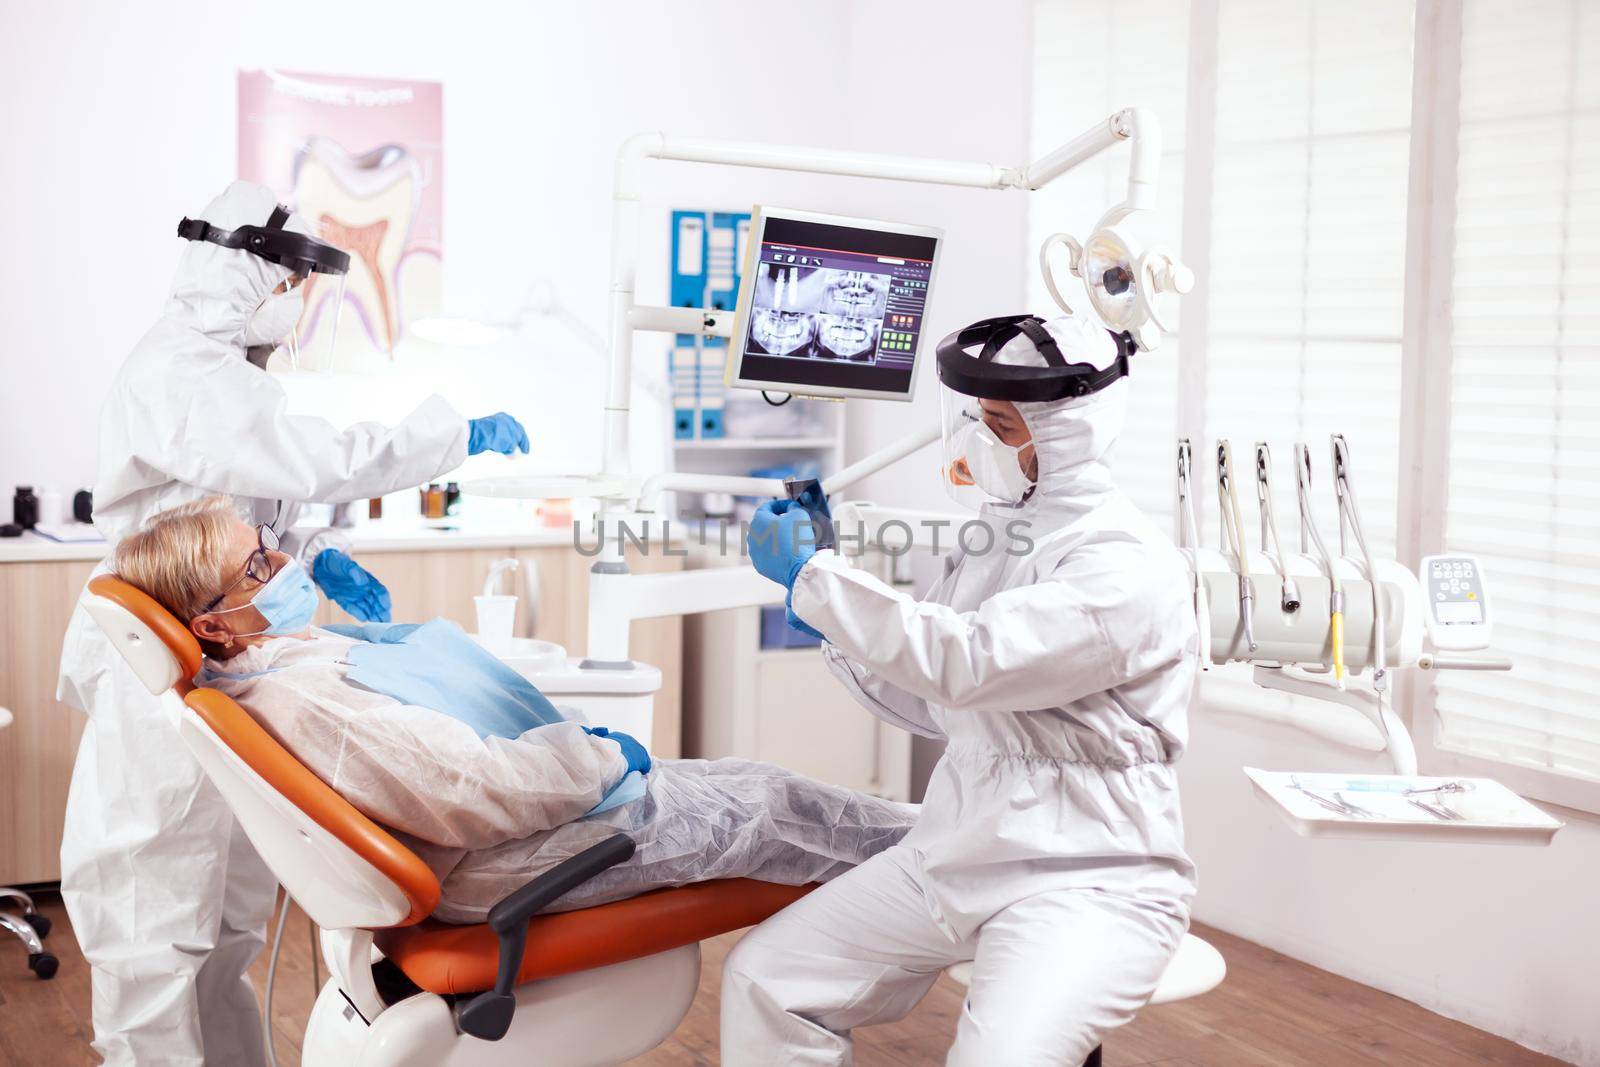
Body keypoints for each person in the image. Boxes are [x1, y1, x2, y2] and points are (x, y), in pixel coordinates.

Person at [55, 180, 531, 1067]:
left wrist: (309, 558)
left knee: (228, 923)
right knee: (151, 929)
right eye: (291, 284)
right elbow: (305, 461)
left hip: (218, 657)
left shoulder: (225, 375)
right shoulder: (180, 370)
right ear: (243, 272)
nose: (298, 304)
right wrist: (448, 435)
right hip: (165, 673)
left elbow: (234, 513)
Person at [725, 313, 1200, 1065]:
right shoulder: (1001, 538)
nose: (981, 440)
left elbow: (968, 659)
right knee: (768, 978)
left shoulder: (1124, 563)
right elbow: (936, 696)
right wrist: (826, 593)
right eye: (979, 419)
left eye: (1002, 424)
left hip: (1086, 877)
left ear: (1067, 432)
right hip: (956, 850)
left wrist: (818, 579)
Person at [108, 497, 916, 920]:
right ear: (210, 625)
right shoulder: (301, 699)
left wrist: (373, 630)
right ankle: (956, 860)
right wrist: (604, 753)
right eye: (256, 565)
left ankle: (938, 840)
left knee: (760, 785)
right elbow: (473, 787)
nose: (284, 562)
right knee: (775, 808)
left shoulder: (267, 666)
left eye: (266, 540)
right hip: (516, 857)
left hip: (529, 827)